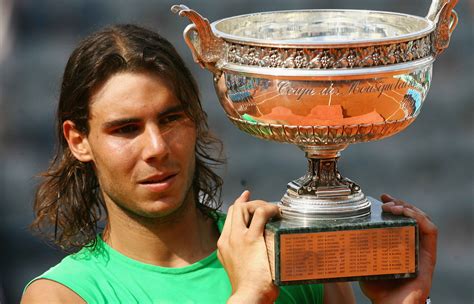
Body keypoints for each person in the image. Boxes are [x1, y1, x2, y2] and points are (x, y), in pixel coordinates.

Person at [21, 24, 437, 304]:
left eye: (170, 119)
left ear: (196, 120)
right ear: (79, 140)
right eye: (126, 129)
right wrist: (248, 295)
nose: (156, 148)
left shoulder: (291, 256)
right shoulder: (62, 294)